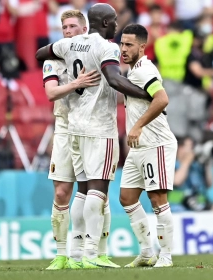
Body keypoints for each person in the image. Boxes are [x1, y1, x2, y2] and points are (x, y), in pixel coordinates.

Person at [36, 3, 151, 268]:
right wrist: (145, 94)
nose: (116, 26)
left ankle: (77, 255)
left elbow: (41, 52)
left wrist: (61, 49)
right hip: (99, 127)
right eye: (113, 21)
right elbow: (112, 78)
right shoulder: (106, 47)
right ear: (104, 23)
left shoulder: (68, 46)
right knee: (98, 191)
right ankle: (90, 254)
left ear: (86, 25)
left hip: (75, 127)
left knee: (84, 191)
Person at [42, 9, 102, 270]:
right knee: (61, 191)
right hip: (65, 127)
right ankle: (61, 254)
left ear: (84, 29)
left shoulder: (95, 53)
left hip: (93, 128)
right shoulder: (52, 60)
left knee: (96, 192)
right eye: (64, 27)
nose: (67, 31)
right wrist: (76, 82)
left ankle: (94, 252)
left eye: (72, 27)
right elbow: (51, 93)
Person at [118, 24, 177, 268]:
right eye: (122, 43)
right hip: (139, 146)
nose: (123, 49)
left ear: (142, 47)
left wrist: (138, 125)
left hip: (156, 143)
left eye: (129, 44)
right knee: (127, 198)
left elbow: (162, 98)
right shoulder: (133, 71)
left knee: (157, 198)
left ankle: (166, 255)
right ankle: (146, 252)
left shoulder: (144, 70)